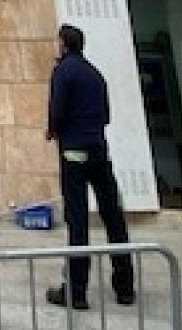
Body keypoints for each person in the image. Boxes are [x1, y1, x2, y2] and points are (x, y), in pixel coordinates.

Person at [45, 24, 136, 310]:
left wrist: (53, 130)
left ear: (63, 44)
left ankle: (77, 291)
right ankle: (125, 288)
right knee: (113, 216)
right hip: (98, 150)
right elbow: (106, 115)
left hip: (74, 152)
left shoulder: (63, 72)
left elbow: (57, 111)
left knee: (78, 220)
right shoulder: (95, 74)